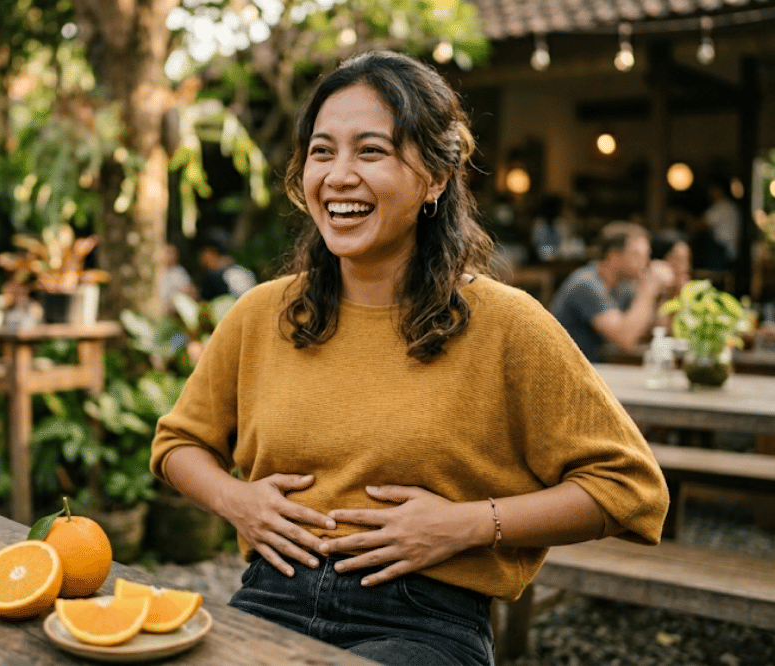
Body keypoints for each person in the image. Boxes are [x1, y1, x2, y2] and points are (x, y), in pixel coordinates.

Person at [151, 51, 668, 666]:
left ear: (436, 178)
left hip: (425, 623)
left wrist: (470, 525)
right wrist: (237, 501)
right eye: (322, 151)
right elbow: (177, 445)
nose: (339, 175)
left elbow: (629, 489)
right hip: (271, 600)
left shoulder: (509, 324)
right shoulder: (263, 314)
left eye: (371, 151)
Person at [549, 222, 675, 362]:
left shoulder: (624, 287)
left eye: (647, 255)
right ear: (613, 255)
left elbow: (653, 330)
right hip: (569, 371)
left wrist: (663, 294)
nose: (645, 262)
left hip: (597, 369)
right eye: (636, 254)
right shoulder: (586, 285)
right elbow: (625, 337)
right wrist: (649, 289)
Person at [195, 227, 256, 301]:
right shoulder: (246, 272)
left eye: (202, 253)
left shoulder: (212, 277)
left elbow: (203, 306)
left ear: (211, 252)